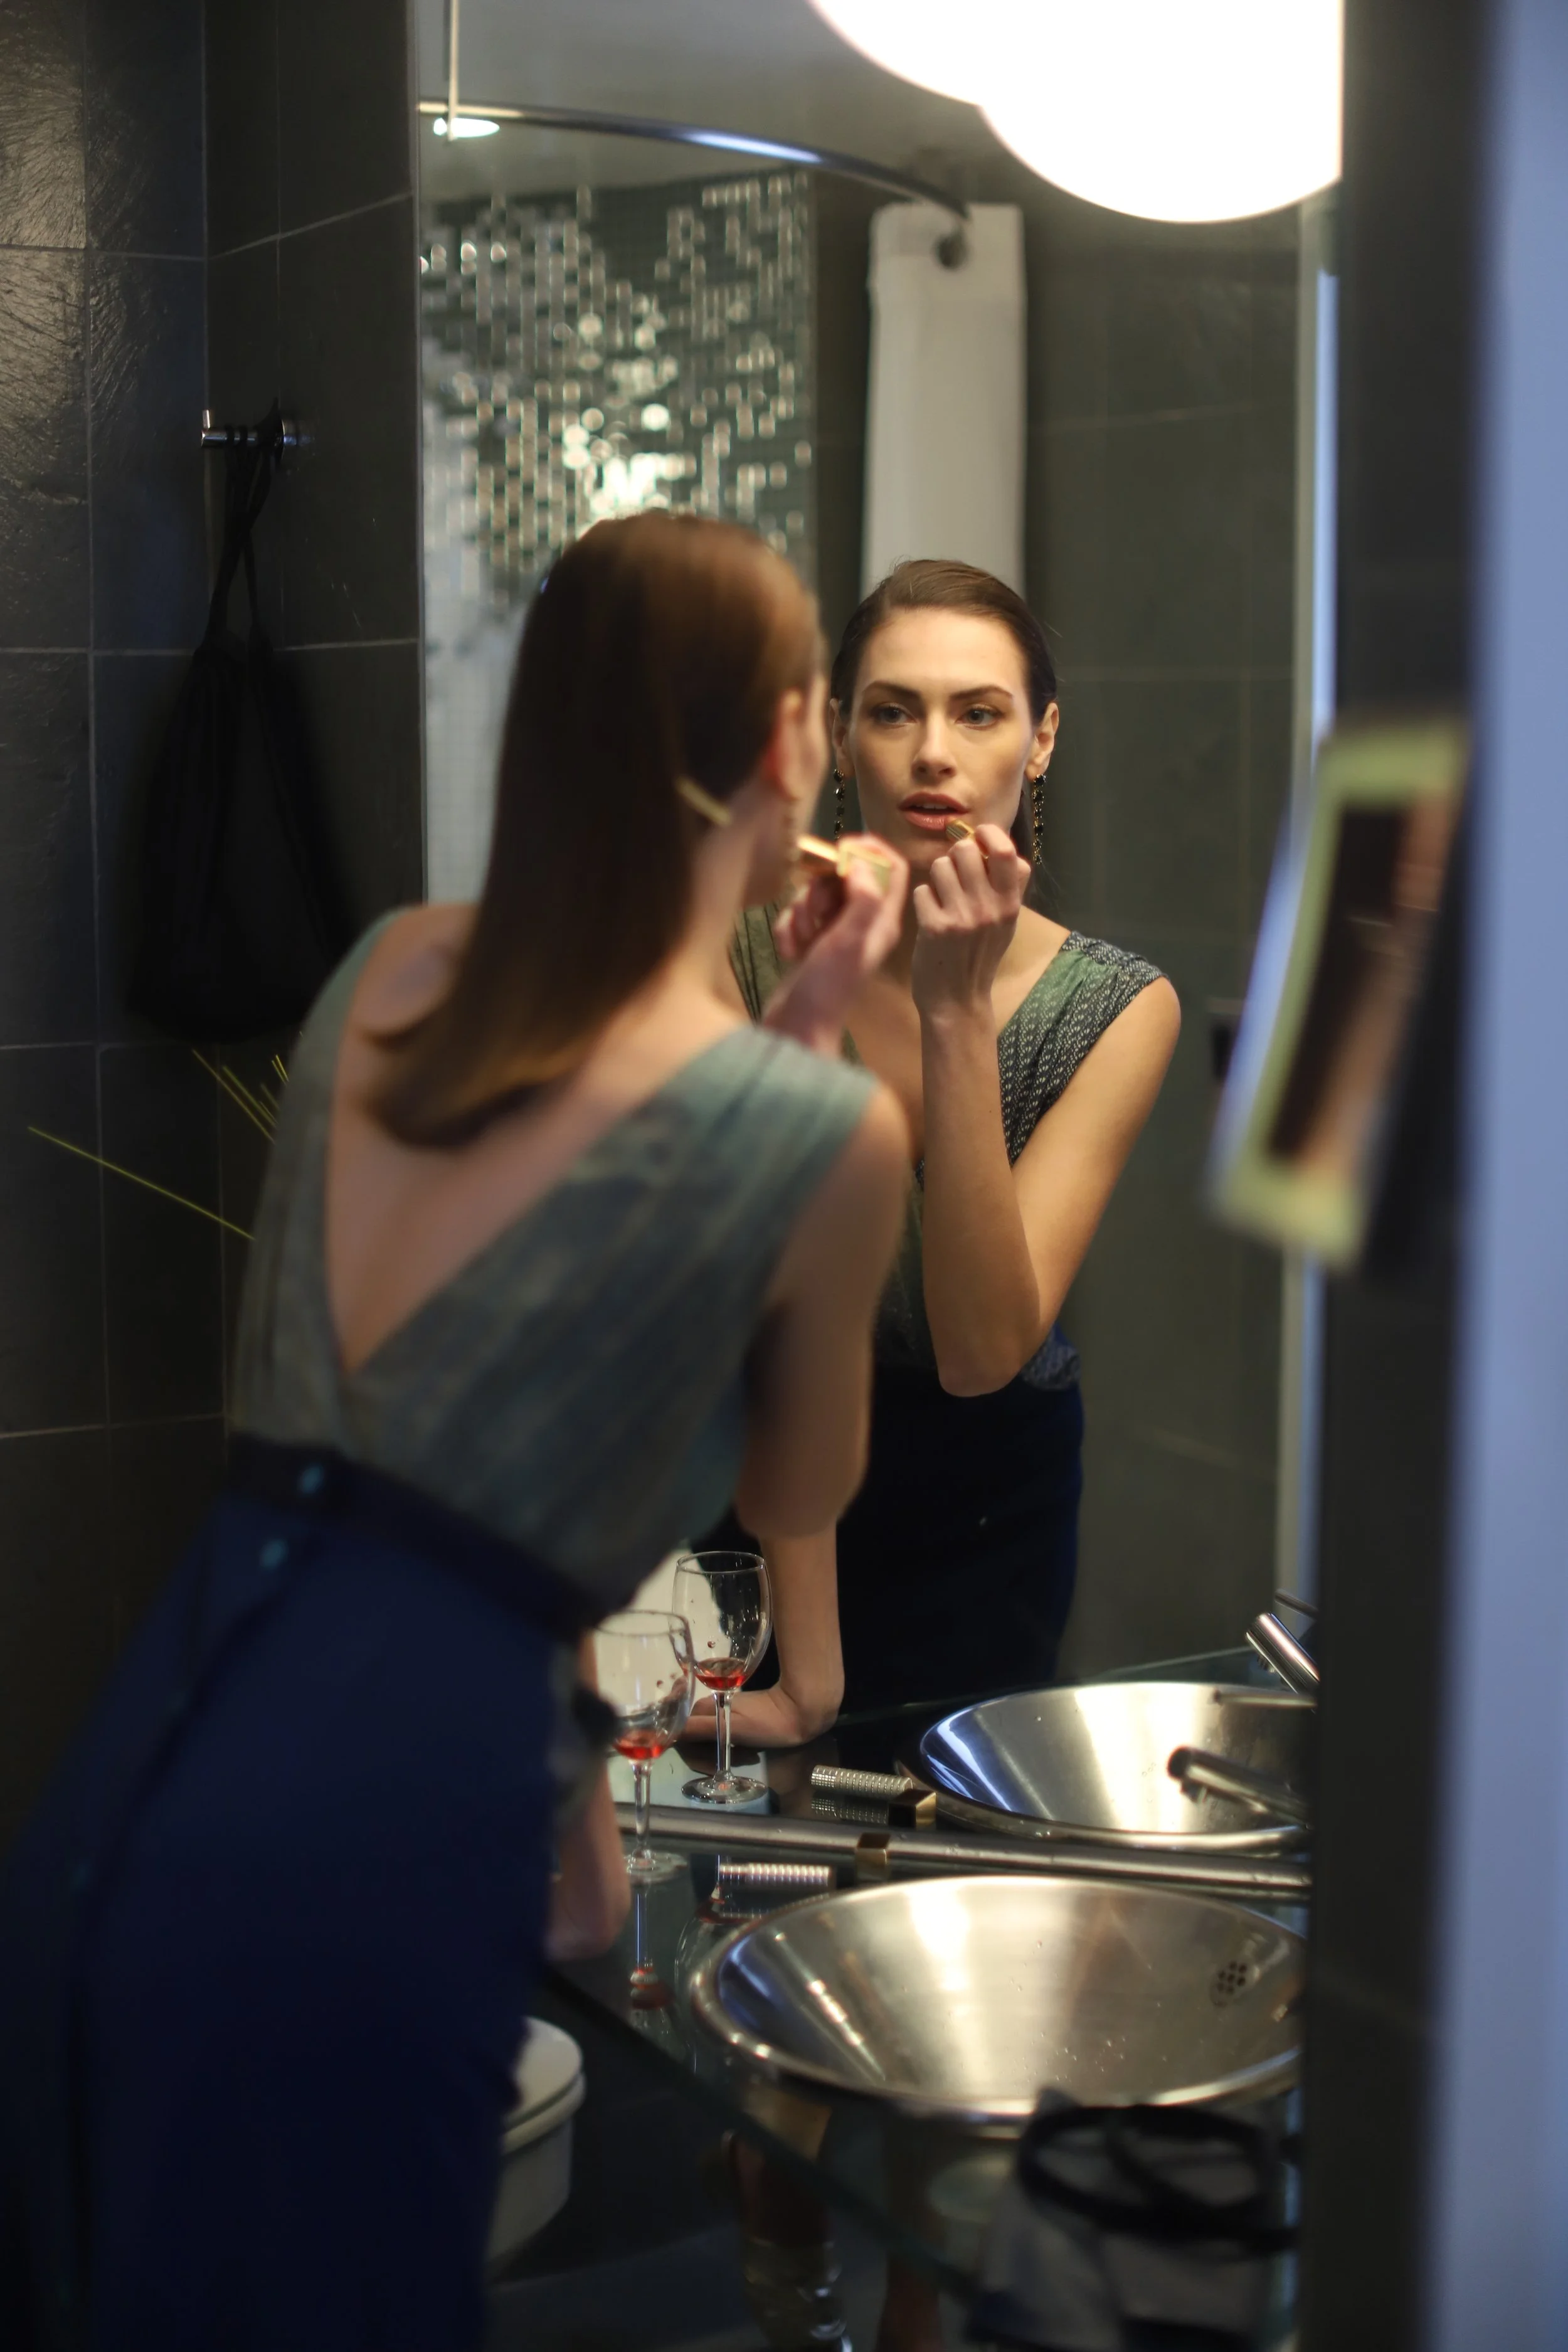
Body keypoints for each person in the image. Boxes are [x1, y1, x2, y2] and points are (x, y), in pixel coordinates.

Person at [0, 514, 909, 2352]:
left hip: (149, 1761)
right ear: (786, 742)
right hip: (371, 1854)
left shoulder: (386, 977)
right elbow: (795, 1485)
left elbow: (422, 1473)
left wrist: (794, 1029)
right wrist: (827, 1049)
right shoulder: (820, 1136)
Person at [722, 558, 1180, 1730]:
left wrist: (956, 1009)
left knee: (953, 1829)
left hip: (986, 1513)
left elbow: (981, 1352)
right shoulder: (737, 945)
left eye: (979, 713)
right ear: (839, 734)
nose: (934, 752)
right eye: (894, 711)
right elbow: (764, 1300)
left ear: (1042, 739)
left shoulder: (1118, 1006)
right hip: (754, 1498)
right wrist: (807, 1674)